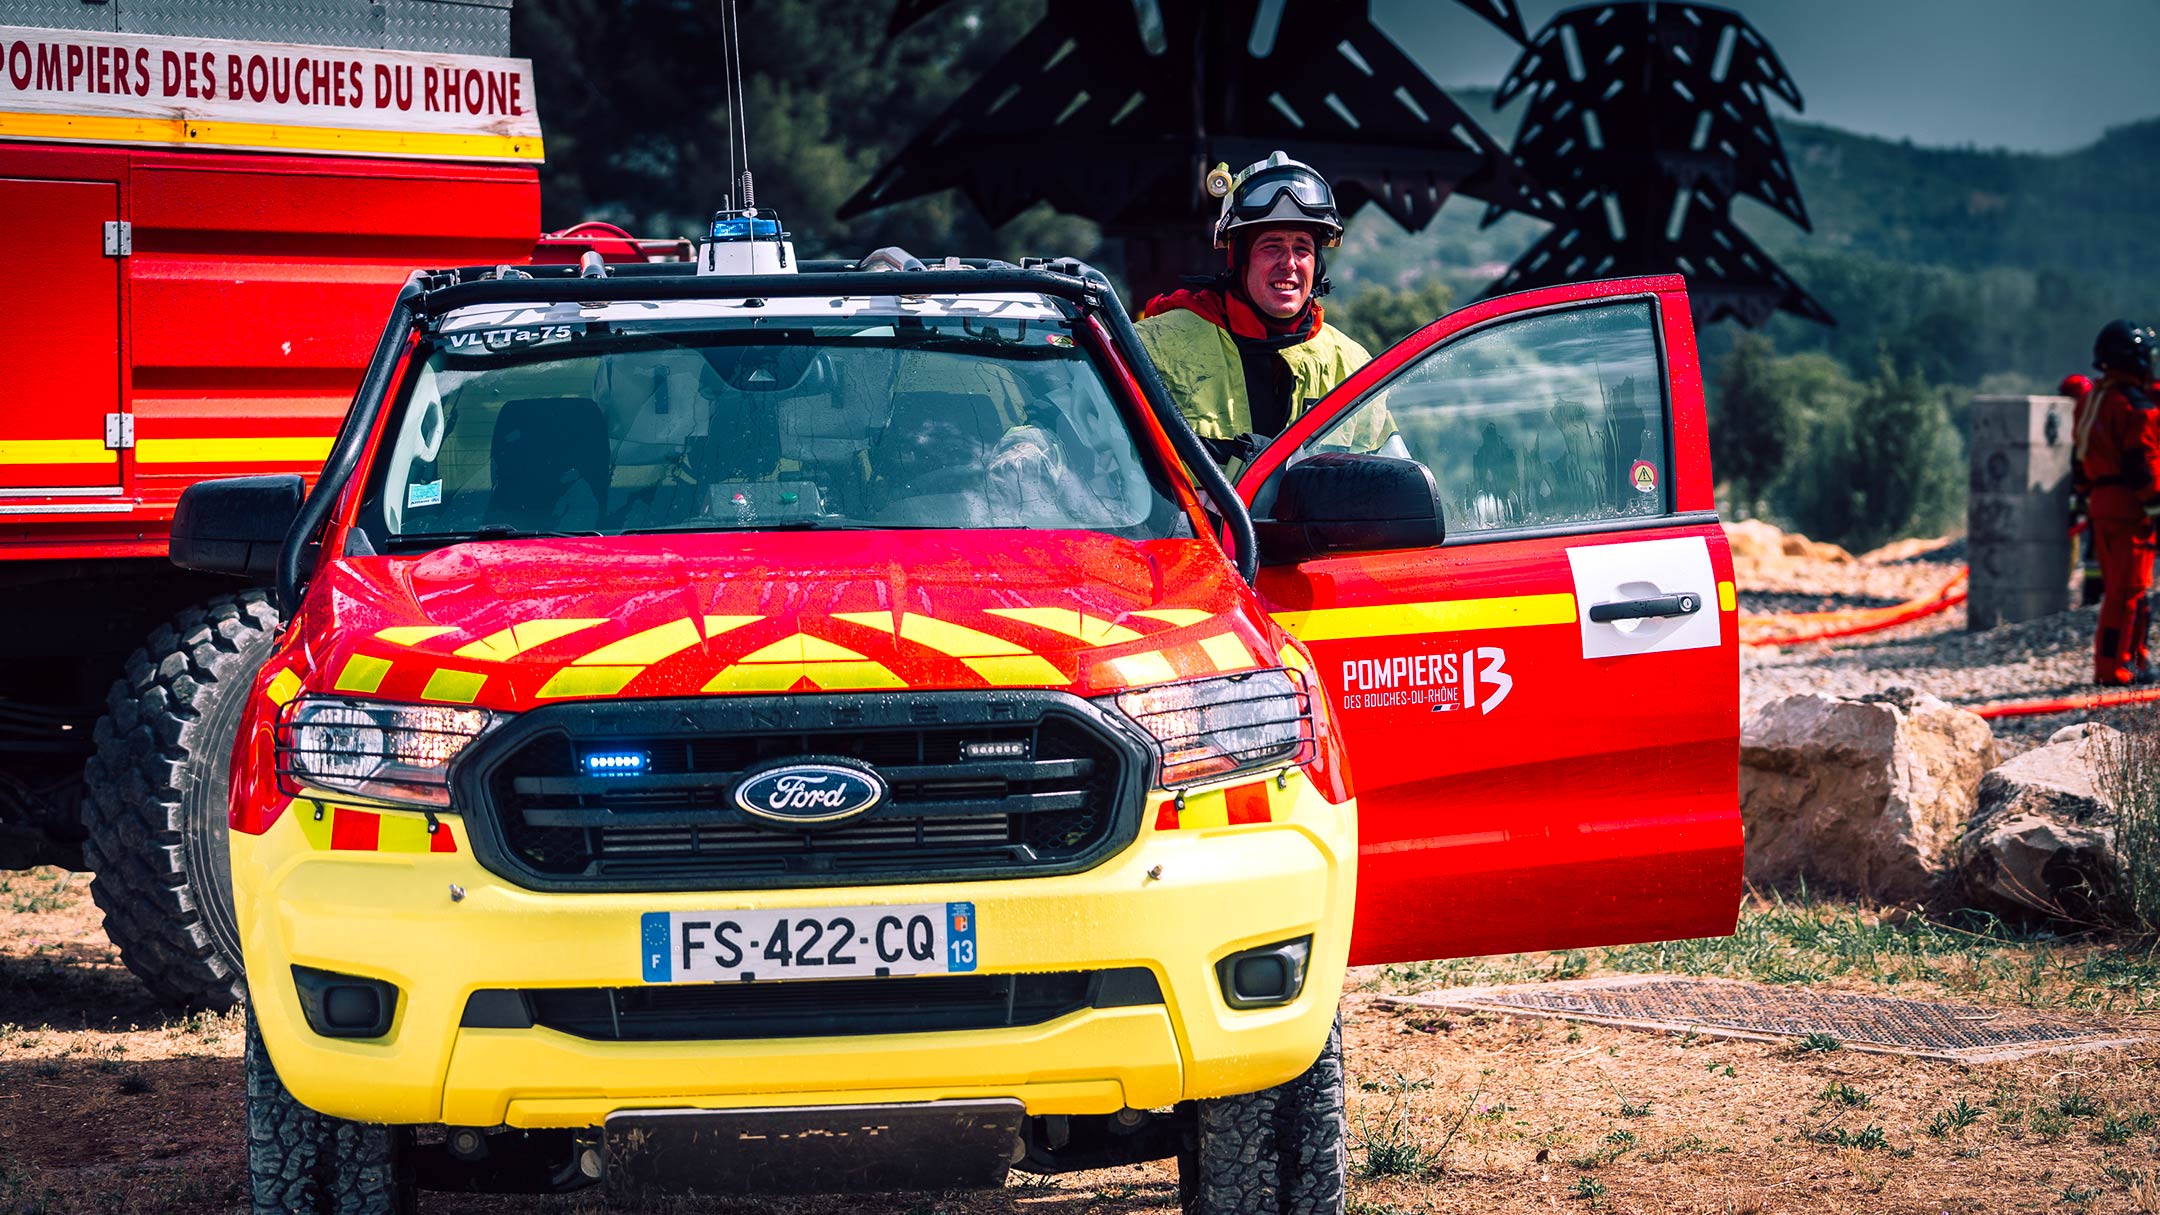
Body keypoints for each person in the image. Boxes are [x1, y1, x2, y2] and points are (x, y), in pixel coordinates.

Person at [1135, 152, 1379, 472]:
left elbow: (1384, 474)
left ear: (1317, 265)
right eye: (1271, 246)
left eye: (1302, 248)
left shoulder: (1351, 364)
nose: (1289, 263)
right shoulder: (1153, 348)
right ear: (1239, 258)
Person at [2074, 322, 2160, 685]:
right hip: (2129, 505)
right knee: (2125, 592)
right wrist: (2155, 506)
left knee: (2126, 589)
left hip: (2104, 500)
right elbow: (2142, 462)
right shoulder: (2132, 406)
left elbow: (2081, 459)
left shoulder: (2097, 399)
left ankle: (2133, 657)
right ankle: (2112, 668)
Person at [2061, 372, 2102, 608]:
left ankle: (2092, 599)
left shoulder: (2088, 418)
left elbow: (2080, 463)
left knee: (2096, 554)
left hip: (2096, 495)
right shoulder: (2091, 414)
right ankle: (2093, 598)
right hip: (2092, 495)